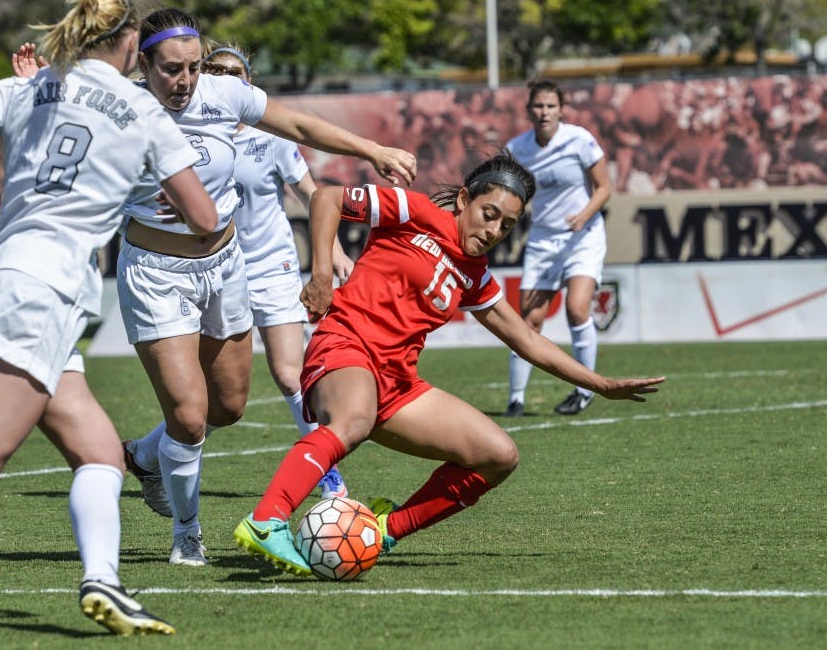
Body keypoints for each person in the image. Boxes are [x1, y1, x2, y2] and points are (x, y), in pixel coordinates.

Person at [232, 152, 664, 575]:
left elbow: (528, 341)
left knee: (499, 456)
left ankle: (385, 529)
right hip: (345, 346)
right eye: (489, 213)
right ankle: (267, 520)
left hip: (397, 383)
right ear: (463, 200)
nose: (495, 230)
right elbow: (327, 198)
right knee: (353, 419)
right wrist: (322, 275)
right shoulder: (416, 212)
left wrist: (599, 384)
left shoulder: (474, 274)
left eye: (508, 225)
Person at [0, 0, 218, 635]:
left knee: (99, 452)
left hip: (9, 273)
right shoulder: (142, 110)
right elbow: (205, 219)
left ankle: (105, 582)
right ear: (129, 44)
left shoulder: (27, 85)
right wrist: (167, 192)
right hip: (46, 285)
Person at [105, 8, 416, 568]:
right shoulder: (118, 106)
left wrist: (373, 151)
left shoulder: (223, 94)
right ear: (143, 64)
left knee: (228, 407)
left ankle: (147, 457)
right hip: (155, 271)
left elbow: (299, 126)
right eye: (171, 69)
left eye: (194, 68)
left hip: (226, 265)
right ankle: (187, 533)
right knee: (191, 415)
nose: (185, 81)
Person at [200, 43, 353, 498]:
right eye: (216, 70)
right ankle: (153, 454)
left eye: (235, 72)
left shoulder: (272, 136)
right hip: (218, 269)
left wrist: (337, 251)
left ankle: (325, 474)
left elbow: (312, 195)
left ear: (249, 81)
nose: (226, 77)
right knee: (222, 396)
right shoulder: (193, 131)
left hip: (272, 267)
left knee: (290, 374)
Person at [504, 79, 613, 417]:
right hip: (543, 240)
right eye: (538, 106)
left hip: (583, 236)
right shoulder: (517, 149)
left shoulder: (580, 140)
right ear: (528, 111)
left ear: (561, 109)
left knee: (578, 309)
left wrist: (583, 216)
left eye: (551, 106)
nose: (544, 112)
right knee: (529, 321)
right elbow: (508, 191)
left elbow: (604, 188)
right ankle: (516, 399)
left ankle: (584, 389)